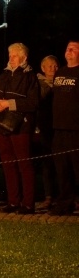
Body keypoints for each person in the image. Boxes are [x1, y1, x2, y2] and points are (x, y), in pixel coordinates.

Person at [0, 42, 39, 214]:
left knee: (24, 163)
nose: (11, 58)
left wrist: (9, 103)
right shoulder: (3, 74)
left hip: (20, 126)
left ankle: (28, 203)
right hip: (1, 124)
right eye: (10, 55)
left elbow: (33, 102)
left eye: (15, 55)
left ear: (24, 58)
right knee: (8, 164)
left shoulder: (30, 76)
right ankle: (13, 201)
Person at [50, 41, 79, 215]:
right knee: (62, 168)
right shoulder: (60, 73)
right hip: (59, 128)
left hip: (76, 129)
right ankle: (65, 203)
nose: (68, 51)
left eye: (73, 49)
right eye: (67, 48)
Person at [35, 55, 58, 208]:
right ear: (43, 68)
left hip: (59, 127)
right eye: (49, 66)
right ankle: (49, 195)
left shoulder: (63, 82)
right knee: (46, 163)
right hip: (44, 127)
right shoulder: (39, 84)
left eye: (55, 66)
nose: (52, 69)